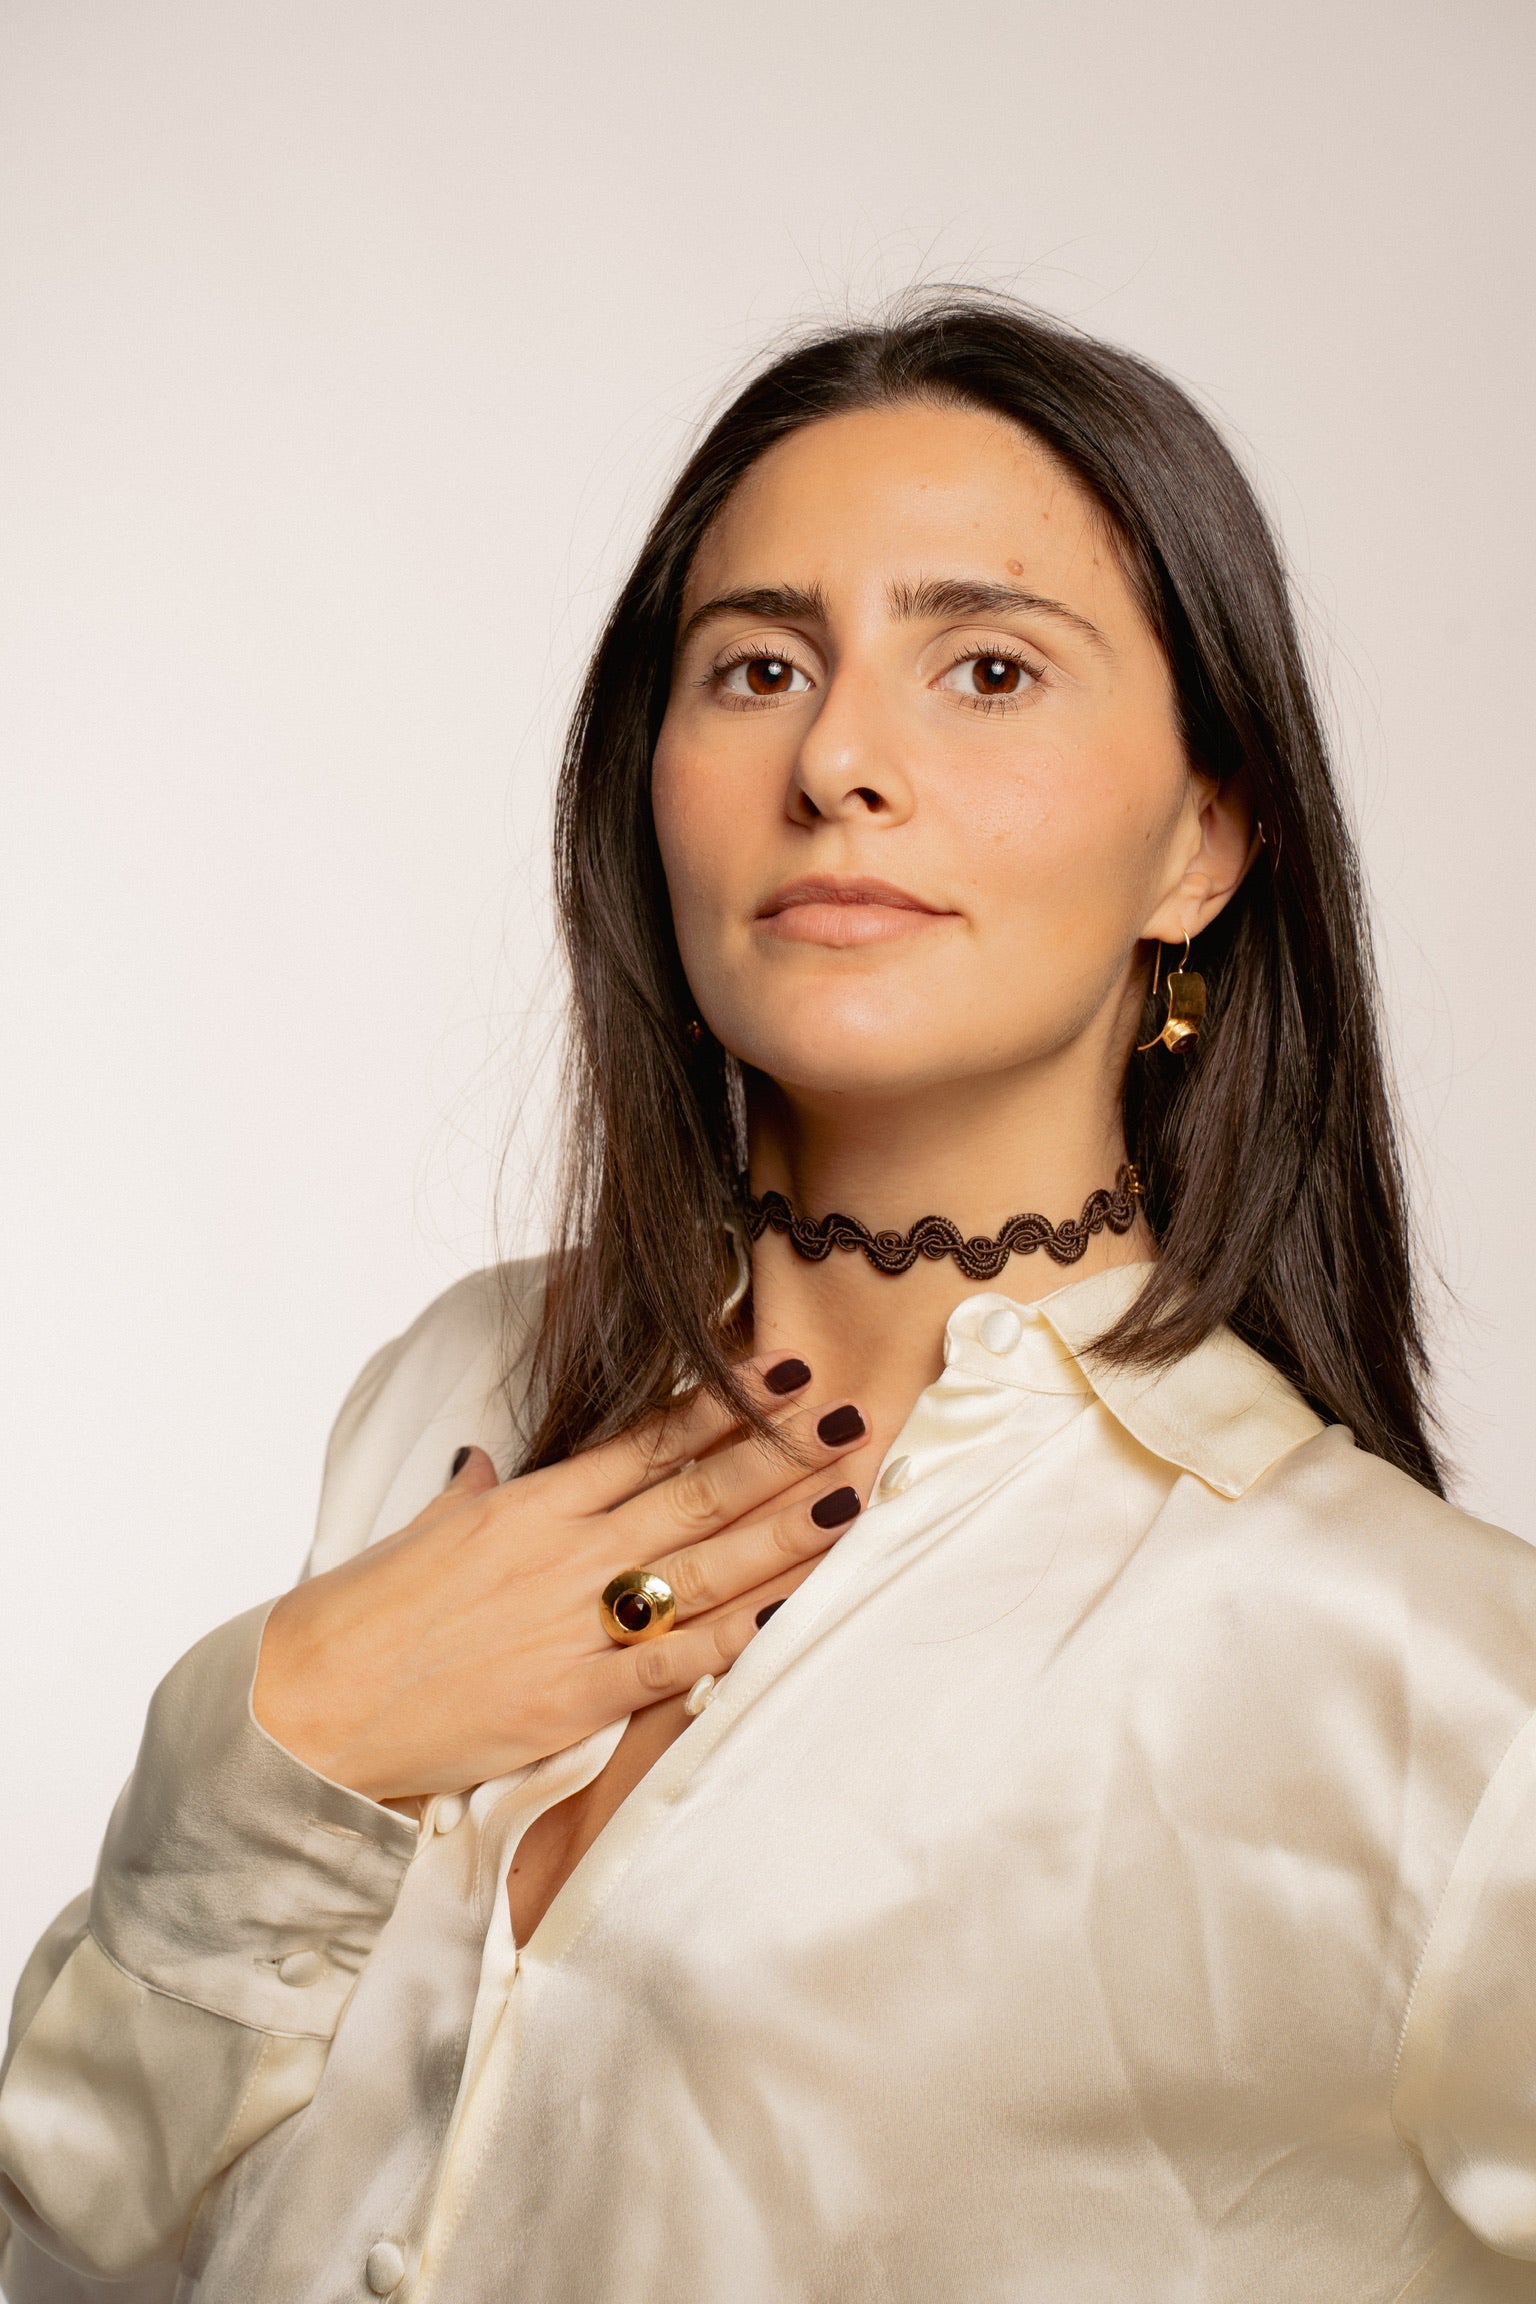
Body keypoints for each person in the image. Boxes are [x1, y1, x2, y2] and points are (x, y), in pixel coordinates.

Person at [3, 291, 1533, 2304]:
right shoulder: (454, 1391)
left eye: (988, 667)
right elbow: (79, 2235)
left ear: (1205, 838)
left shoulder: (1429, 1684)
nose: (838, 759)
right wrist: (279, 1730)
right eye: (758, 666)